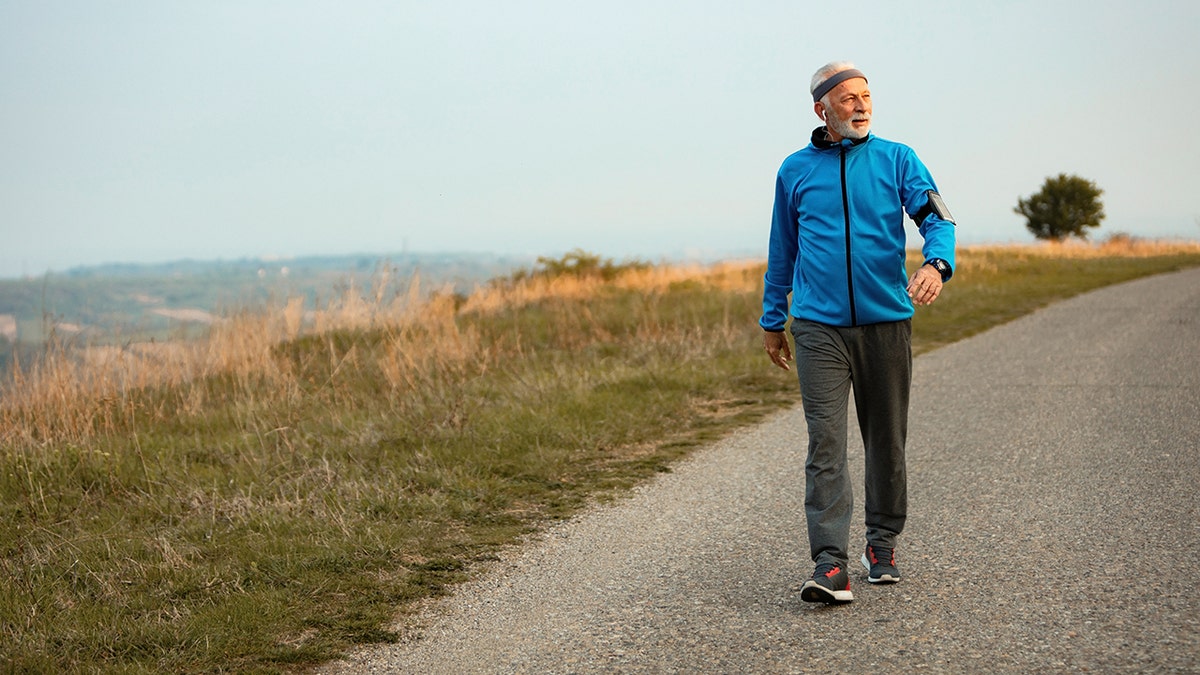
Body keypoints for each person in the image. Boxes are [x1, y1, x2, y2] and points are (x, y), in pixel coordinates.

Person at [759, 61, 956, 605]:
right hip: (819, 327)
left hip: (886, 323)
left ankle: (882, 544)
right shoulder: (794, 170)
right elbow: (783, 249)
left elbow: (938, 218)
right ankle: (830, 564)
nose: (861, 106)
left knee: (886, 441)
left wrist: (936, 264)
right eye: (847, 99)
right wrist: (773, 318)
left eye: (866, 96)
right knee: (826, 442)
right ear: (822, 109)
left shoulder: (898, 159)